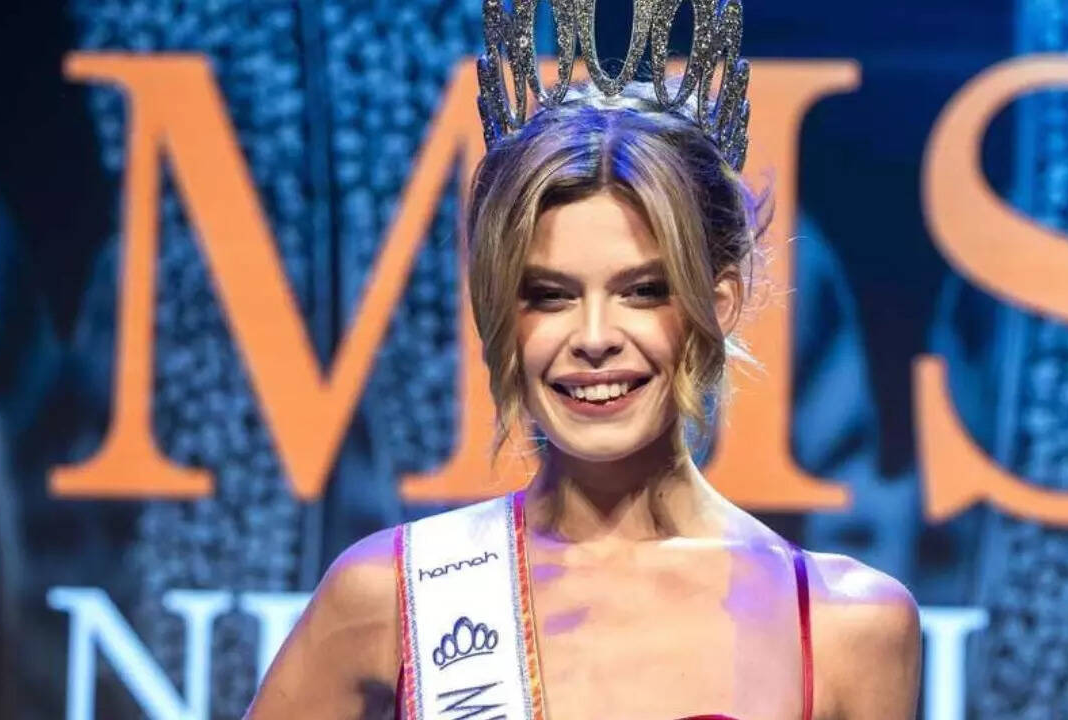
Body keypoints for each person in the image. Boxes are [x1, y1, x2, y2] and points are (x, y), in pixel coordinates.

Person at [246, 2, 920, 718]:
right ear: (501, 313)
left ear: (716, 304)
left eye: (642, 291)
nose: (594, 336)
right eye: (551, 295)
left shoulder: (848, 625)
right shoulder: (390, 594)